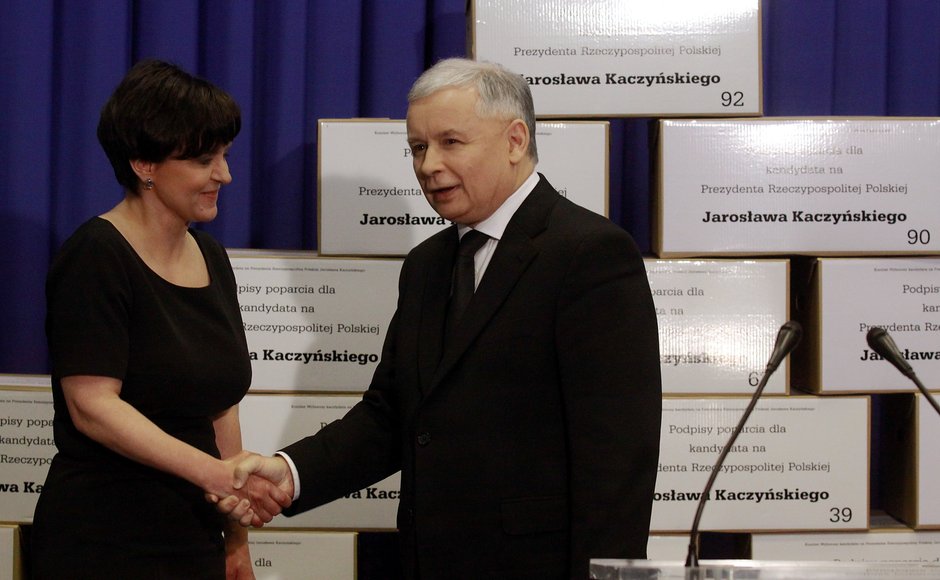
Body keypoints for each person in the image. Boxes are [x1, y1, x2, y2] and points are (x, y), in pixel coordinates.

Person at [221, 57, 662, 579]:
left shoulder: (588, 253)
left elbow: (617, 460)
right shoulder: (427, 265)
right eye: (418, 147)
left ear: (515, 140)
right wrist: (290, 474)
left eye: (451, 142)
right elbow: (393, 415)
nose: (428, 164)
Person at [30, 59, 290, 580]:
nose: (225, 175)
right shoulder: (96, 255)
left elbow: (221, 406)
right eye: (203, 160)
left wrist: (235, 539)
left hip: (194, 535)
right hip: (103, 540)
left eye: (225, 156)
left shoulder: (212, 257)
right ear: (144, 165)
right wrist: (220, 477)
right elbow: (93, 407)